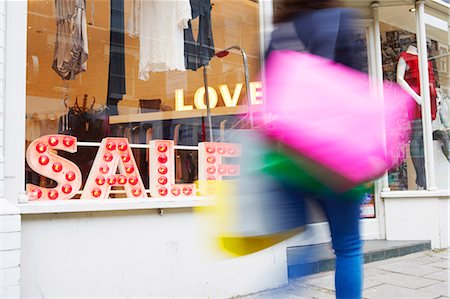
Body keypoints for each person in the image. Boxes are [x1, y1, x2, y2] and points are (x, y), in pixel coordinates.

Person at [268, 1, 364, 298]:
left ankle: (287, 292)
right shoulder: (342, 19)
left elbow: (271, 97)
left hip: (293, 155)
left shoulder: (277, 34)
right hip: (338, 154)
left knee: (300, 240)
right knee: (347, 246)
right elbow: (358, 86)